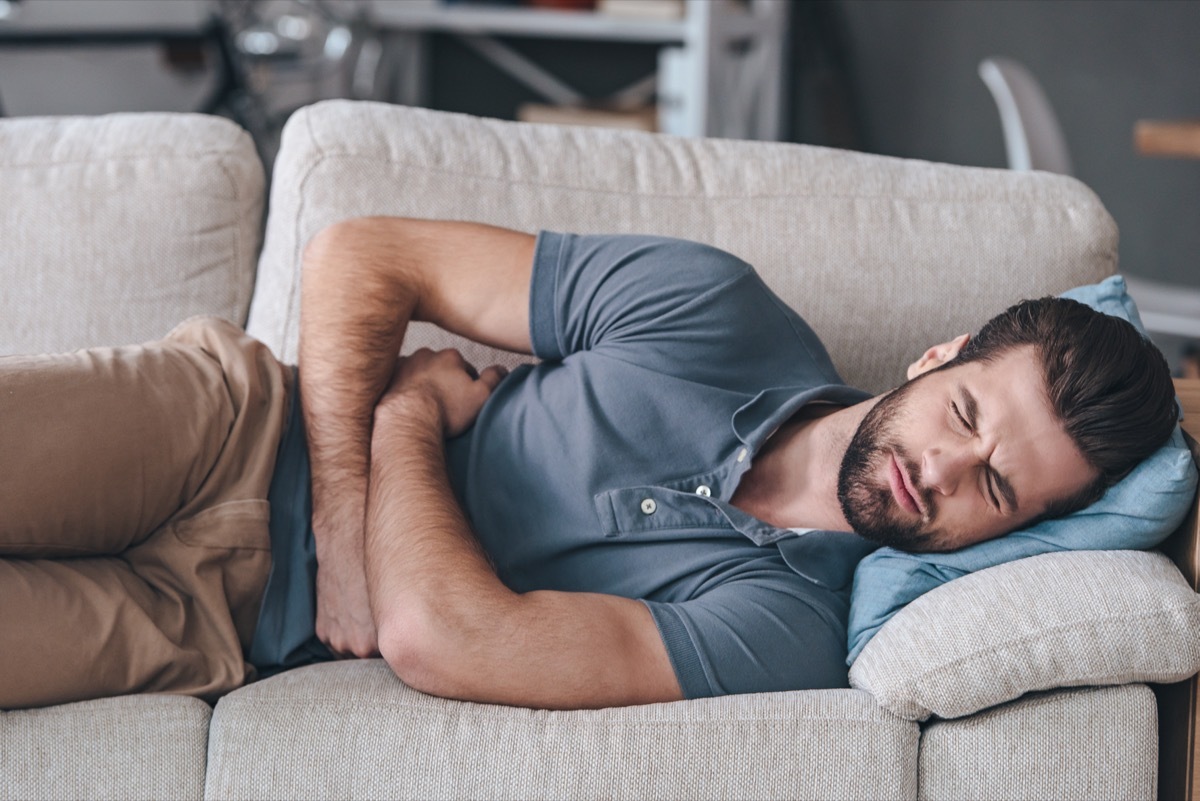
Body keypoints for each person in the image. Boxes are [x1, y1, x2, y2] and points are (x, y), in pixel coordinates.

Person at [0, 218, 1177, 712]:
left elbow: (435, 639)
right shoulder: (714, 310)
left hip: (218, 624)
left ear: (1011, 535)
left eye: (999, 490)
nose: (944, 472)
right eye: (963, 413)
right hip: (229, 428)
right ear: (937, 357)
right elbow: (369, 252)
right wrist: (349, 508)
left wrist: (411, 420)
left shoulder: (789, 628)